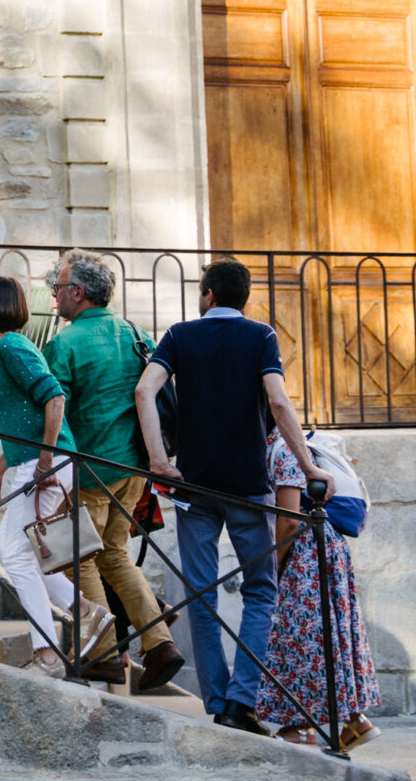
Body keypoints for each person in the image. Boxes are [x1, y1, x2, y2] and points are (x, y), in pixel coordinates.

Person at [132, 257, 323, 735]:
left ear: (208, 294)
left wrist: (160, 460)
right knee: (261, 590)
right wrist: (309, 465)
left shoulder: (179, 334)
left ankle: (217, 702)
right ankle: (242, 702)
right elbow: (278, 401)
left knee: (201, 593)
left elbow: (144, 390)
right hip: (246, 486)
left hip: (193, 484)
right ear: (243, 296)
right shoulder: (260, 336)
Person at [43, 251, 183, 692]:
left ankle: (102, 650)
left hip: (87, 470)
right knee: (114, 555)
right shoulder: (136, 333)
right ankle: (159, 644)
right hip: (132, 469)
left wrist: (44, 464)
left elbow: (52, 407)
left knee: (78, 559)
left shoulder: (65, 343)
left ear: (78, 294)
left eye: (60, 288)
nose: (55, 295)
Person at [0, 275, 109, 677]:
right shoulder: (7, 349)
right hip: (34, 463)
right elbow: (24, 419)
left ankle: (47, 656)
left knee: (14, 553)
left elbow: (54, 398)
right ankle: (85, 612)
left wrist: (45, 462)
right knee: (10, 548)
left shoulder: (12, 345)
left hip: (44, 466)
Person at [262, 423, 382, 750]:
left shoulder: (284, 449)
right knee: (331, 634)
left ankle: (300, 727)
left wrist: (271, 568)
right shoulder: (292, 445)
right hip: (327, 545)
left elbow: (287, 520)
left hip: (304, 550)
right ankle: (355, 720)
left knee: (301, 636)